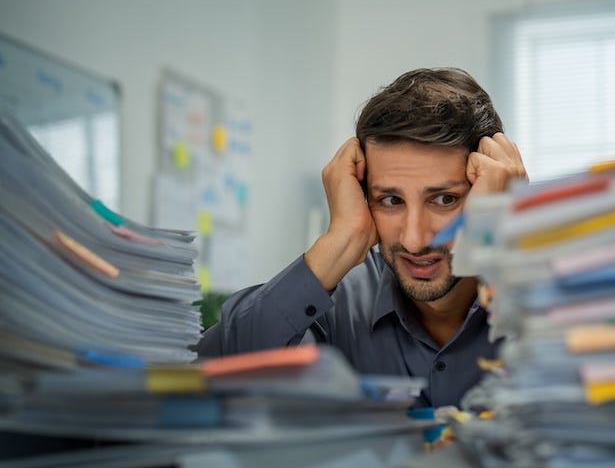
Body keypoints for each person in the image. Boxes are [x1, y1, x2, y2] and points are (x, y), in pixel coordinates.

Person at [197, 67, 526, 408]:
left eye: (444, 199)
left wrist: (511, 235)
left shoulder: (550, 297)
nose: (414, 240)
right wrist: (339, 240)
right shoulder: (335, 301)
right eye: (390, 200)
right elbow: (200, 380)